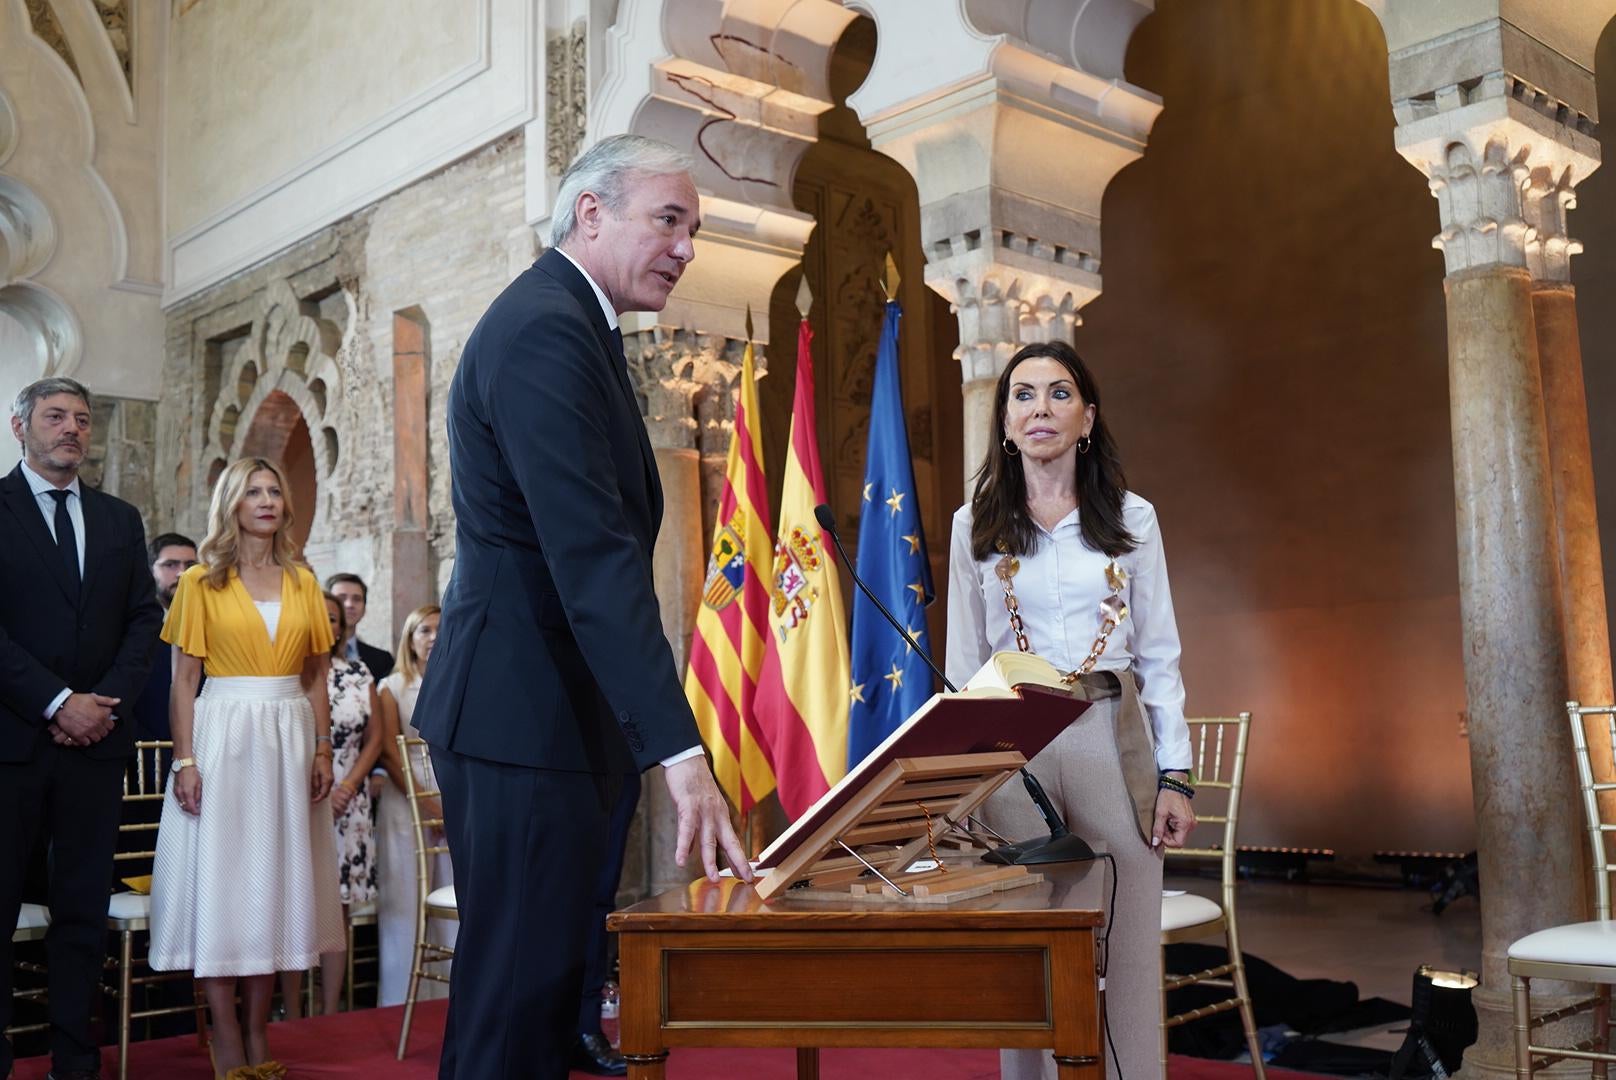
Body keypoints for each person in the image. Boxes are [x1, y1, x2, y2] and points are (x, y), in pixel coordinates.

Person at [415, 133, 751, 1079]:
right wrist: (681, 754)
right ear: (591, 213)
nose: (686, 247)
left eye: (695, 228)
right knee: (509, 1016)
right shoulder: (542, 328)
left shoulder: (580, 323)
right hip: (520, 718)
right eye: (670, 219)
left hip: (564, 718)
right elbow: (594, 560)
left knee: (554, 1002)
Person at [945, 340, 1197, 1080]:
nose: (1041, 409)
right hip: (1013, 738)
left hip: (1107, 733)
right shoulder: (975, 526)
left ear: (1087, 416)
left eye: (1059, 394)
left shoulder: (1132, 517)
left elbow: (1160, 654)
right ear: (1004, 421)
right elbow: (964, 662)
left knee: (1123, 940)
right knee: (1029, 949)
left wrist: (1176, 775)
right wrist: (962, 774)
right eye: (1023, 395)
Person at [147, 457, 346, 1080]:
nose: (265, 500)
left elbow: (316, 675)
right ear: (232, 504)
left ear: (286, 506)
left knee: (272, 886)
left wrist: (322, 748)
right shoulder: (201, 582)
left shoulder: (304, 581)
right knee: (223, 886)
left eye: (274, 492)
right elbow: (183, 682)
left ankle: (261, 1033)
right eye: (252, 492)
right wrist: (186, 759)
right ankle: (225, 1036)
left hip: (287, 739)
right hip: (223, 736)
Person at [0, 377, 162, 1080]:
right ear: (20, 427)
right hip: (12, 745)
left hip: (97, 748)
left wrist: (102, 702)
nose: (72, 429)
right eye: (56, 417)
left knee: (81, 917)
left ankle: (75, 1062)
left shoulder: (120, 519)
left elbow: (143, 621)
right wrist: (57, 700)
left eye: (82, 420)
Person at [279, 593, 383, 1018]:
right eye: (318, 617)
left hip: (348, 801)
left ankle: (329, 1011)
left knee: (336, 910)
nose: (327, 624)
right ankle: (288, 1010)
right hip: (295, 798)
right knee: (291, 906)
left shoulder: (358, 673)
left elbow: (376, 736)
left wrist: (349, 785)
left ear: (341, 628)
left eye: (334, 619)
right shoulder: (281, 674)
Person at [374, 603, 454, 1007]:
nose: (433, 637)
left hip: (450, 787)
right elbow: (388, 750)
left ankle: (449, 989)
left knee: (451, 888)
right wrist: (425, 806)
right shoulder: (391, 687)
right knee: (406, 895)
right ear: (410, 637)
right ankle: (402, 995)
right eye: (425, 629)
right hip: (405, 794)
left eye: (442, 629)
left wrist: (447, 804)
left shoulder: (457, 680)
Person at [132, 532, 200, 742]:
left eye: (190, 565)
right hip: (145, 747)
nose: (182, 573)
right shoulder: (134, 628)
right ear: (150, 570)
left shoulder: (214, 625)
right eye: (170, 565)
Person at [326, 573, 395, 681]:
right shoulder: (310, 657)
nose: (349, 604)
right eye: (341, 598)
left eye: (357, 599)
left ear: (364, 608)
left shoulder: (383, 660)